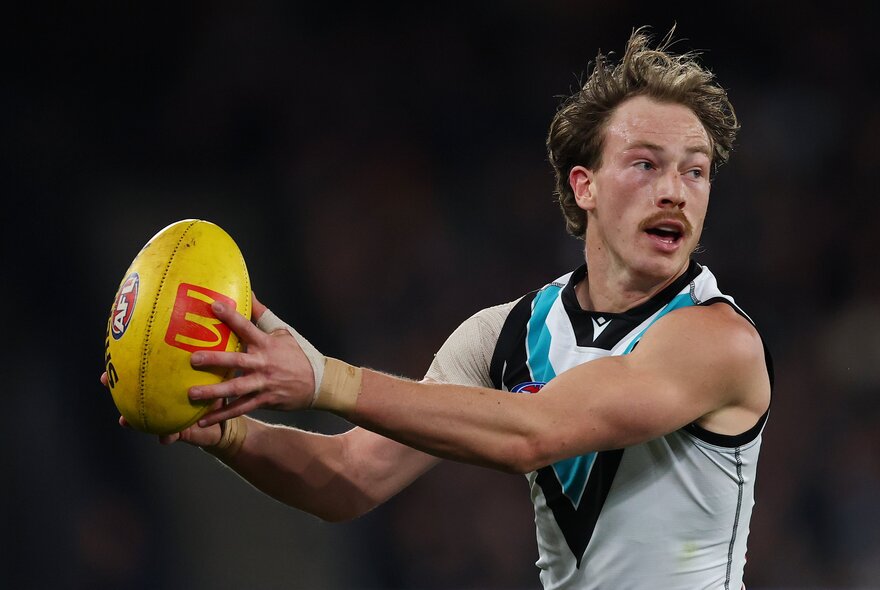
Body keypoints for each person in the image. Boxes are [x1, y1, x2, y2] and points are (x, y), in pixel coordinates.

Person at [106, 27, 773, 589]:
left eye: (695, 170)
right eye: (646, 164)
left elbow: (534, 433)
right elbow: (350, 478)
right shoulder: (504, 334)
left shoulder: (718, 342)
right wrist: (229, 436)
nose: (676, 192)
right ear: (585, 185)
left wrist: (325, 379)